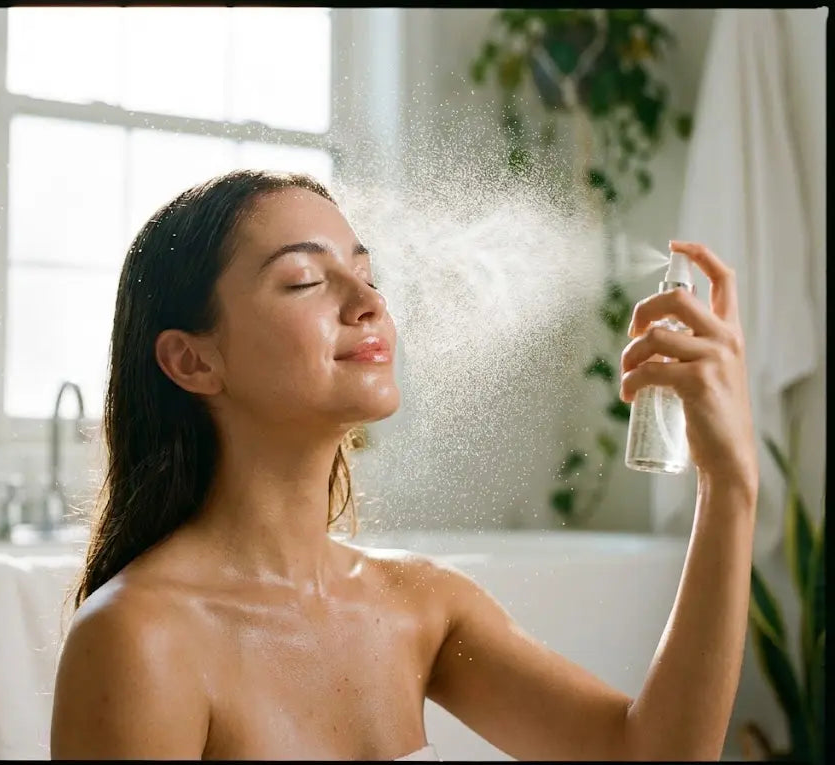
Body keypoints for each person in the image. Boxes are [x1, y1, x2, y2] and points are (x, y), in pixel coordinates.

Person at [50, 169, 758, 761]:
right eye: (303, 280)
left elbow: (649, 753)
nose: (368, 304)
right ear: (192, 359)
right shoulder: (142, 640)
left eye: (366, 274)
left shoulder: (421, 605)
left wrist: (729, 485)